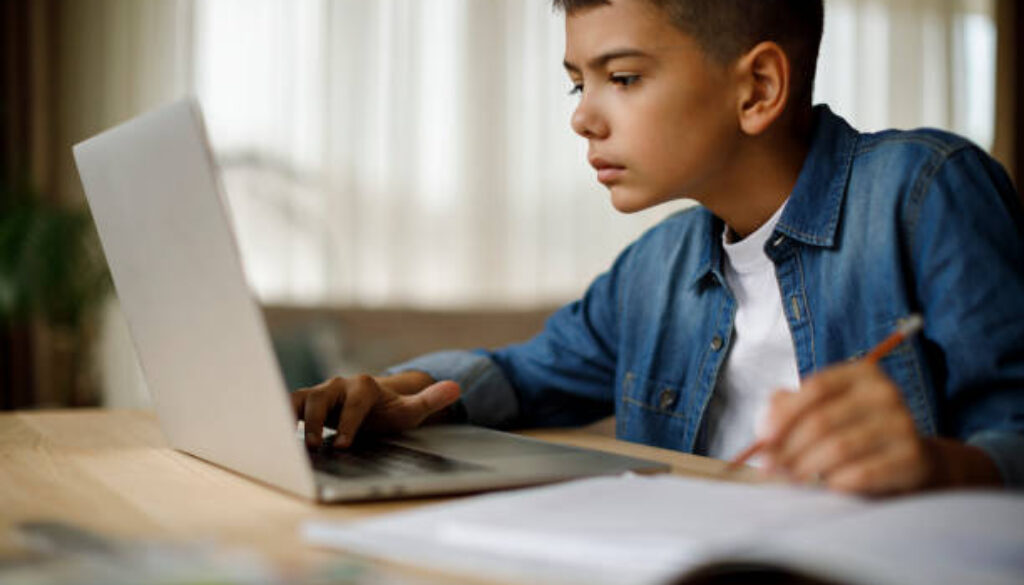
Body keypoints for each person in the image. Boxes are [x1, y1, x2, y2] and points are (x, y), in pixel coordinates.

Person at [290, 0, 1024, 495]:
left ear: (759, 88)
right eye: (577, 84)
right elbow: (518, 375)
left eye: (624, 77)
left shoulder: (925, 195)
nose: (582, 117)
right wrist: (396, 390)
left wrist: (941, 465)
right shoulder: (656, 266)